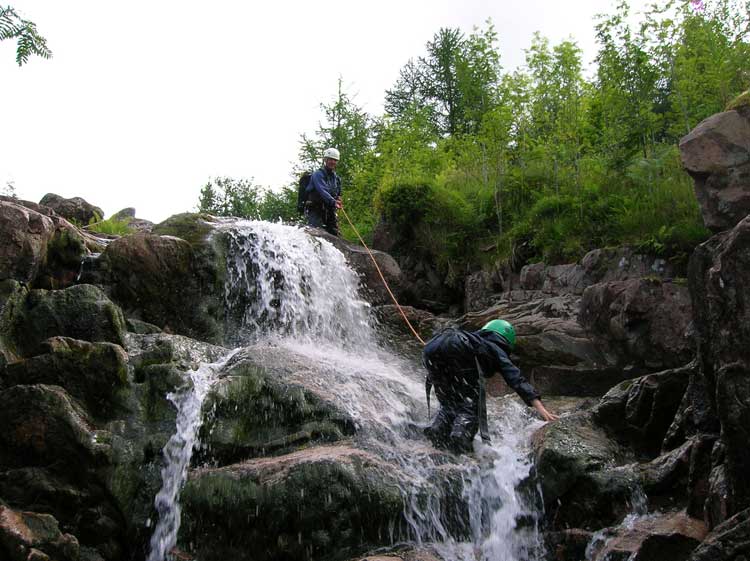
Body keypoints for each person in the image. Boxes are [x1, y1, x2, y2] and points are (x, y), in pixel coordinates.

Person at [422, 318, 558, 454]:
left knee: (449, 403)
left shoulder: (477, 340)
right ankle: (460, 443)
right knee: (470, 407)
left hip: (432, 347)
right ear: (506, 341)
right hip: (457, 347)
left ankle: (437, 432)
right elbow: (515, 377)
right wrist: (541, 408)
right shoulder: (494, 346)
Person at [305, 147, 343, 236]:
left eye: (335, 160)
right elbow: (322, 191)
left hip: (329, 210)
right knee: (315, 233)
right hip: (315, 210)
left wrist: (338, 200)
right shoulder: (317, 174)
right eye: (330, 159)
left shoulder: (336, 178)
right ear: (325, 160)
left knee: (335, 234)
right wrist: (334, 202)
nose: (333, 162)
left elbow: (338, 194)